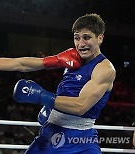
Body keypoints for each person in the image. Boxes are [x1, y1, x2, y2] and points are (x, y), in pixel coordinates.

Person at [12, 13, 116, 154]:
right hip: (51, 133)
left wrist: (41, 96)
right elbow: (24, 64)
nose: (81, 44)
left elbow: (80, 106)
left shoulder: (104, 68)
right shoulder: (71, 59)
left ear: (100, 38)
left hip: (80, 140)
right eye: (77, 38)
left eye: (86, 37)